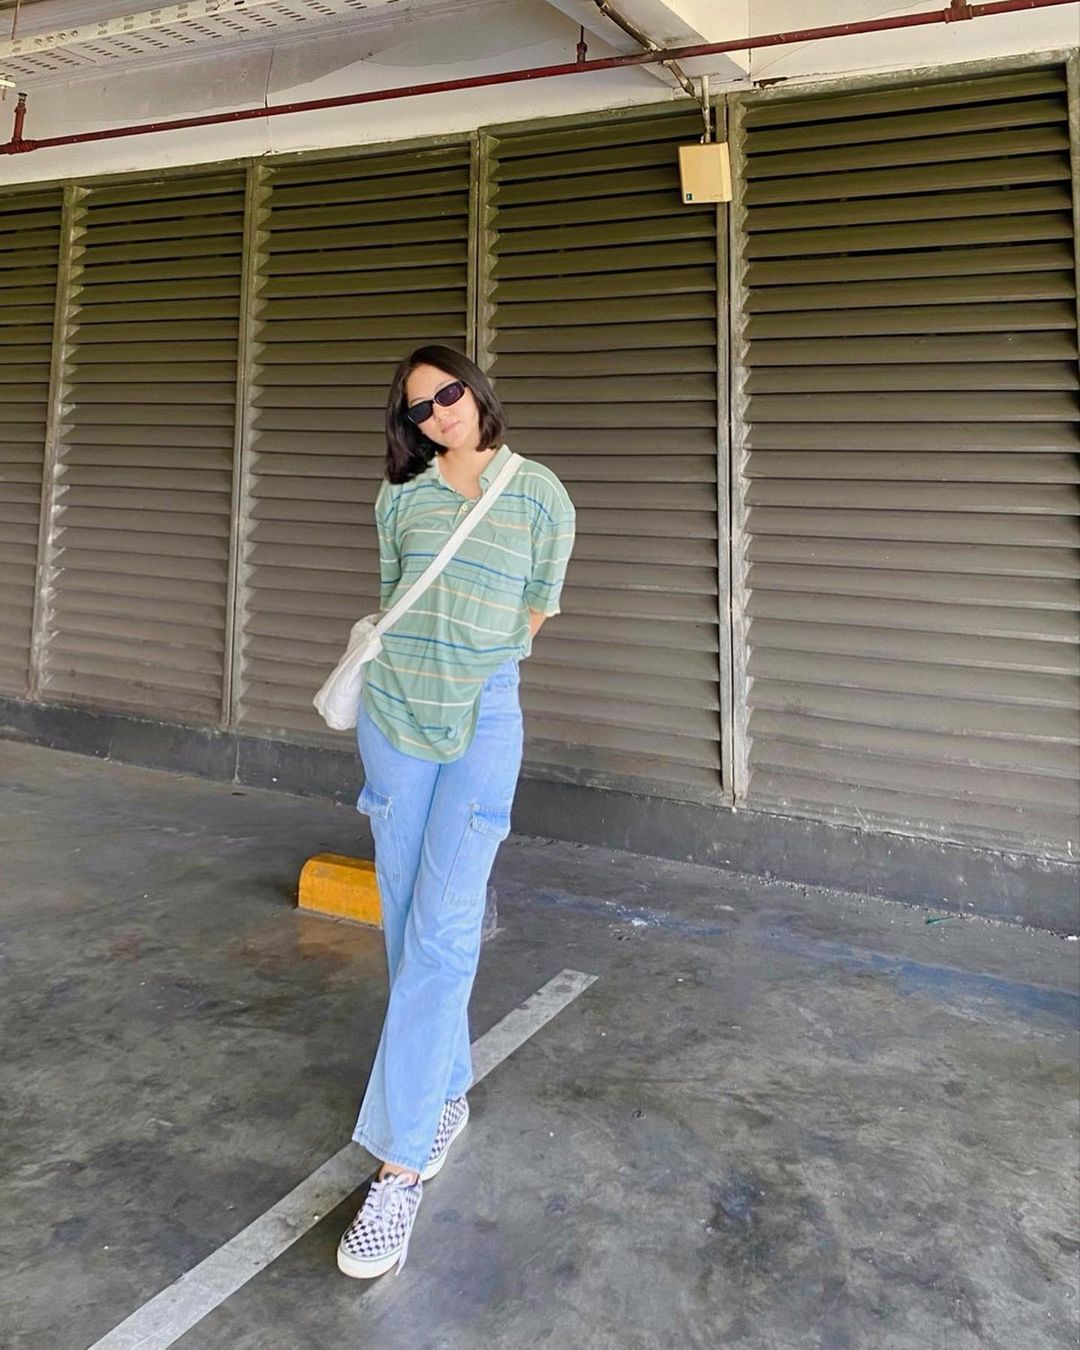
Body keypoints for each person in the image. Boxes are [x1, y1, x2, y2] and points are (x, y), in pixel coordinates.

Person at [337, 345, 575, 1280]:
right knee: (407, 916)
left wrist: (475, 657)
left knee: (443, 922)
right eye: (419, 408)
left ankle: (397, 1171)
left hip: (483, 717)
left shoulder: (539, 493)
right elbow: (395, 600)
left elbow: (537, 609)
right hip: (394, 715)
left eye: (448, 393)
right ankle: (441, 1091)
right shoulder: (399, 499)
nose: (439, 413)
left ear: (475, 391)